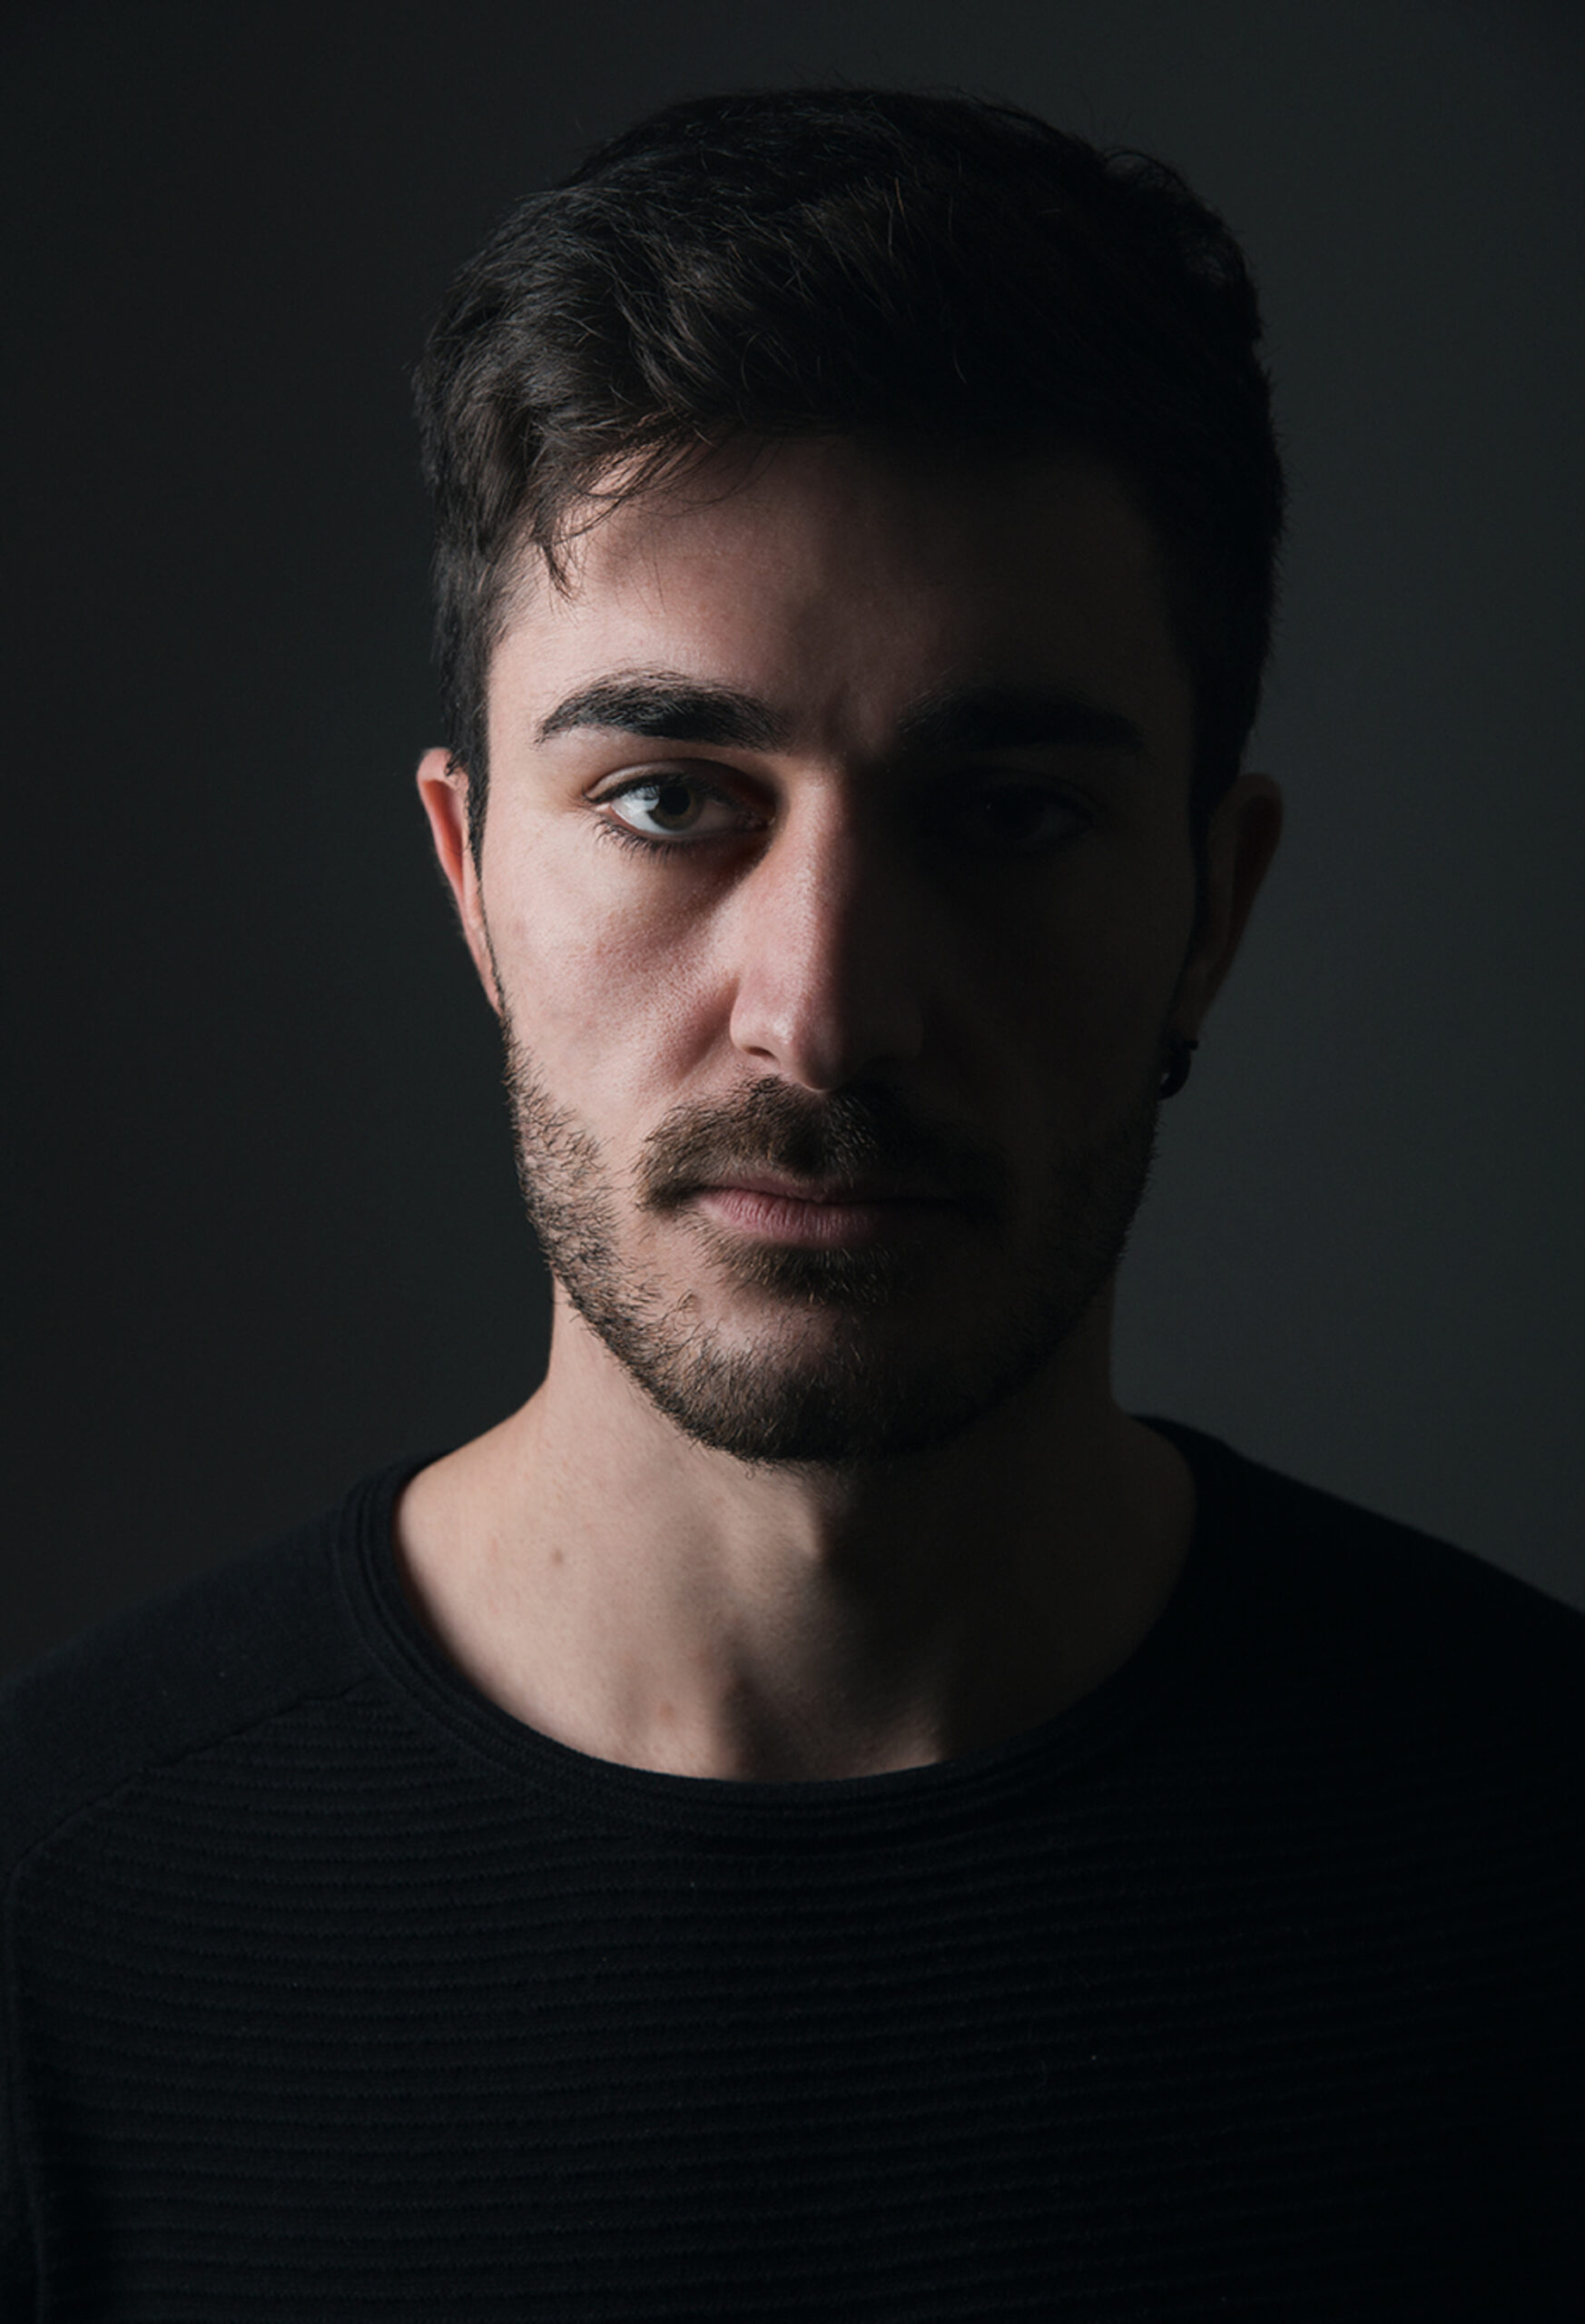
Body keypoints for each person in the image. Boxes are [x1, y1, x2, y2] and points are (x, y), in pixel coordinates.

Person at [3, 86, 1580, 2320]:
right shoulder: (52, 1919)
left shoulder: (1541, 1856)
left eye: (1007, 816)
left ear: (1210, 912)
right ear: (471, 875)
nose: (826, 1019)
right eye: (670, 798)